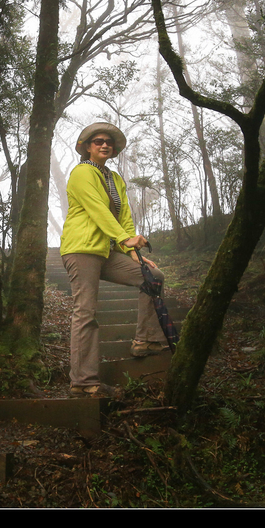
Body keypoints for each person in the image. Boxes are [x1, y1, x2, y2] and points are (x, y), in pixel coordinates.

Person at [60, 122, 168, 398]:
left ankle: (146, 340)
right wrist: (124, 239)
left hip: (107, 251)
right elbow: (98, 210)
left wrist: (134, 253)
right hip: (82, 249)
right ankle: (83, 382)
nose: (104, 144)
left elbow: (124, 219)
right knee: (85, 312)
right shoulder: (81, 172)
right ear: (86, 147)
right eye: (97, 141)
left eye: (108, 141)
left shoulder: (115, 178)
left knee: (152, 277)